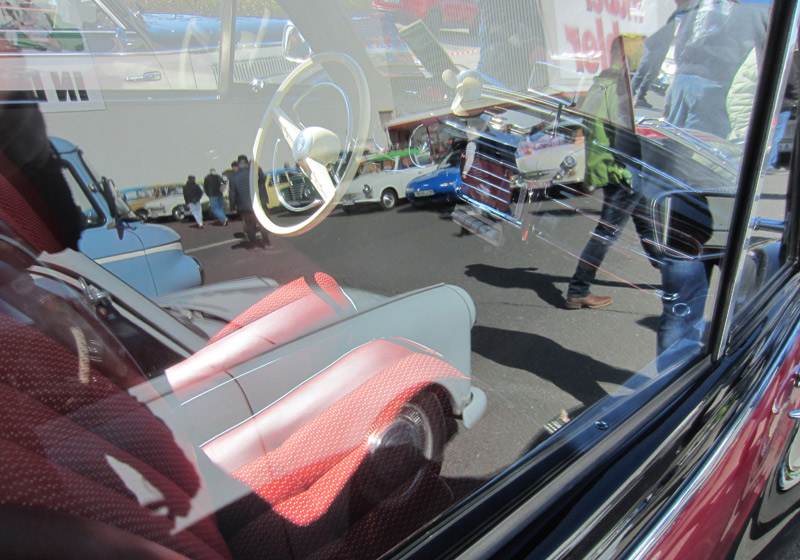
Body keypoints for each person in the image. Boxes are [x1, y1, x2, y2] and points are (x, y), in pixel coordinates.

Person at [565, 38, 656, 310]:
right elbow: (624, 136)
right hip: (622, 172)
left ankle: (673, 271)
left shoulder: (599, 83)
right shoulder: (619, 89)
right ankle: (578, 289)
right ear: (628, 56)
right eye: (639, 52)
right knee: (607, 232)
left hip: (606, 166)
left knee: (647, 223)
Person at [664, 0, 769, 139]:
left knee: (672, 139)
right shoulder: (758, 6)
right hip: (715, 83)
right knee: (701, 144)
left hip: (685, 77)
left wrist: (682, 68)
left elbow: (683, 34)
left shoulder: (701, 3)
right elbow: (760, 48)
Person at [631, 0, 692, 109]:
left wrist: (669, 40)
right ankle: (629, 95)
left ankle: (640, 97)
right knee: (643, 69)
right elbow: (645, 27)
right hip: (652, 43)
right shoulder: (654, 7)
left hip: (663, 44)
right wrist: (650, 42)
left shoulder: (671, 9)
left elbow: (671, 26)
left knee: (654, 71)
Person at [228, 154, 271, 248]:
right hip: (258, 203)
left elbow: (232, 194)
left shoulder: (233, 178)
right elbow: (263, 180)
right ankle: (266, 242)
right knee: (262, 224)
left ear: (238, 164)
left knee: (249, 226)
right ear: (247, 162)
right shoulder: (254, 173)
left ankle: (253, 244)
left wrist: (232, 207)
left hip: (244, 205)